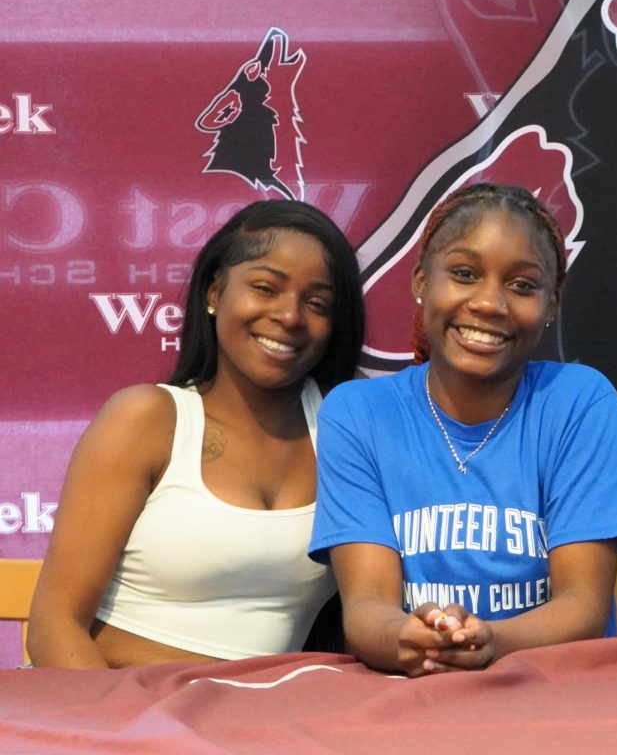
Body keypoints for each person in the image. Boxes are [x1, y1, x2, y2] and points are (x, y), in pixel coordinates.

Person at [309, 182, 617, 676]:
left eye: (522, 285)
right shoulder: (358, 413)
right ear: (420, 281)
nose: (490, 303)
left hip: (552, 695)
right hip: (412, 697)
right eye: (465, 274)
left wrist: (491, 641)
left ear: (553, 301)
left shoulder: (579, 402)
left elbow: (583, 605)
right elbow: (366, 608)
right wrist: (406, 638)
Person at [27, 200, 367, 668]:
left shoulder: (346, 425)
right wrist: (134, 735)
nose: (290, 316)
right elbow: (54, 626)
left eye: (317, 303)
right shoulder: (147, 418)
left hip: (257, 723)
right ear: (213, 292)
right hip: (111, 713)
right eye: (266, 288)